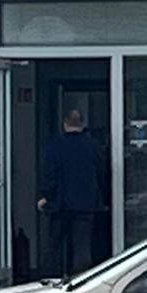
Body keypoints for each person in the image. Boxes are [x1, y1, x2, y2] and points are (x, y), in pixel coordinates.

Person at [37, 109, 102, 279]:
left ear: (65, 124)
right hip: (85, 204)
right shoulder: (92, 145)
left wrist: (45, 196)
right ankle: (81, 279)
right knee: (82, 245)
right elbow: (101, 172)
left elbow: (50, 173)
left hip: (60, 203)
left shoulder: (56, 145)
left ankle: (53, 279)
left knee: (55, 246)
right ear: (83, 124)